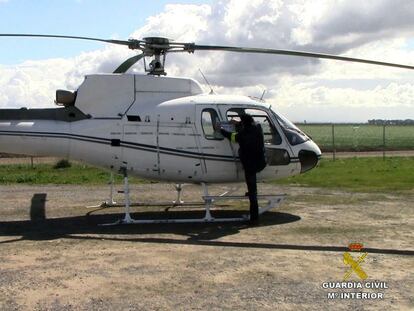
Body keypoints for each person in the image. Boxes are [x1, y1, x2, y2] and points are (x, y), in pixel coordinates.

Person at [217, 114, 266, 223]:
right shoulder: (258, 128)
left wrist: (221, 130)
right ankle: (252, 196)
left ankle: (254, 219)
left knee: (253, 194)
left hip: (250, 165)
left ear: (243, 123)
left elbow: (232, 137)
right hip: (260, 162)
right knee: (252, 190)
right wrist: (238, 123)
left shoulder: (243, 134)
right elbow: (249, 125)